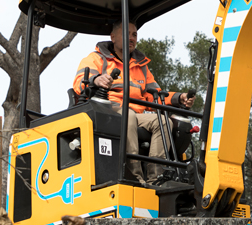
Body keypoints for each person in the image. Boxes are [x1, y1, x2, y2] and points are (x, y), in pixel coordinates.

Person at [73, 21, 194, 183]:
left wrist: (179, 98)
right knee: (128, 116)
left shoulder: (141, 65)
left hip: (137, 114)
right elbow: (80, 82)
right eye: (126, 33)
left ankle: (155, 177)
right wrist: (97, 79)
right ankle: (134, 176)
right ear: (113, 37)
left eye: (134, 34)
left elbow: (155, 95)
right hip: (109, 109)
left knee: (163, 121)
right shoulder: (96, 59)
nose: (131, 38)